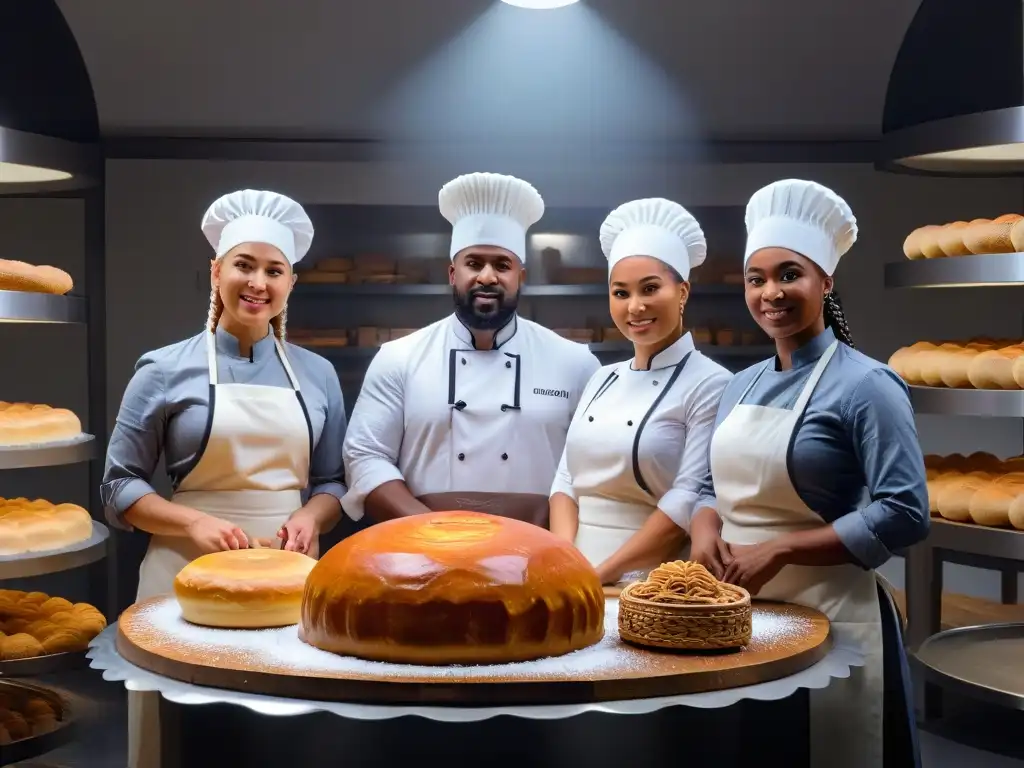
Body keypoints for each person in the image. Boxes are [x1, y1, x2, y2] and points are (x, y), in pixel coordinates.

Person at [101, 189, 347, 768]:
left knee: (282, 735)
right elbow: (119, 487)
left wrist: (311, 517)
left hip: (290, 577)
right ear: (216, 272)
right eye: (244, 265)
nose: (258, 282)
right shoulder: (162, 368)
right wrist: (195, 522)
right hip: (182, 573)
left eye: (274, 270)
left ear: (290, 284)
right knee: (184, 736)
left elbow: (334, 482)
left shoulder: (318, 374)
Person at [688, 179, 928, 767]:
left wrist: (782, 550)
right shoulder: (738, 384)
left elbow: (905, 511)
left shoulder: (867, 385)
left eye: (789, 275)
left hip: (833, 616)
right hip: (741, 615)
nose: (771, 292)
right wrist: (702, 532)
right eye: (756, 278)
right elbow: (708, 486)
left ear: (826, 281)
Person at [342, 172, 600, 526]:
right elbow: (364, 456)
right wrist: (434, 528)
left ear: (521, 276)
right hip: (424, 553)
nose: (488, 277)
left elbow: (594, 468)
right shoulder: (398, 358)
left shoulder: (575, 363)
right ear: (452, 273)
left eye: (502, 265)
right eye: (474, 263)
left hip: (536, 554)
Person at [548, 198, 732, 585]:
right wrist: (565, 559)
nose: (635, 307)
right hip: (576, 572)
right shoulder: (603, 377)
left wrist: (602, 576)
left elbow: (686, 500)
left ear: (682, 292)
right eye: (620, 292)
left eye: (650, 288)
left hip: (652, 581)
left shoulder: (711, 384)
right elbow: (565, 479)